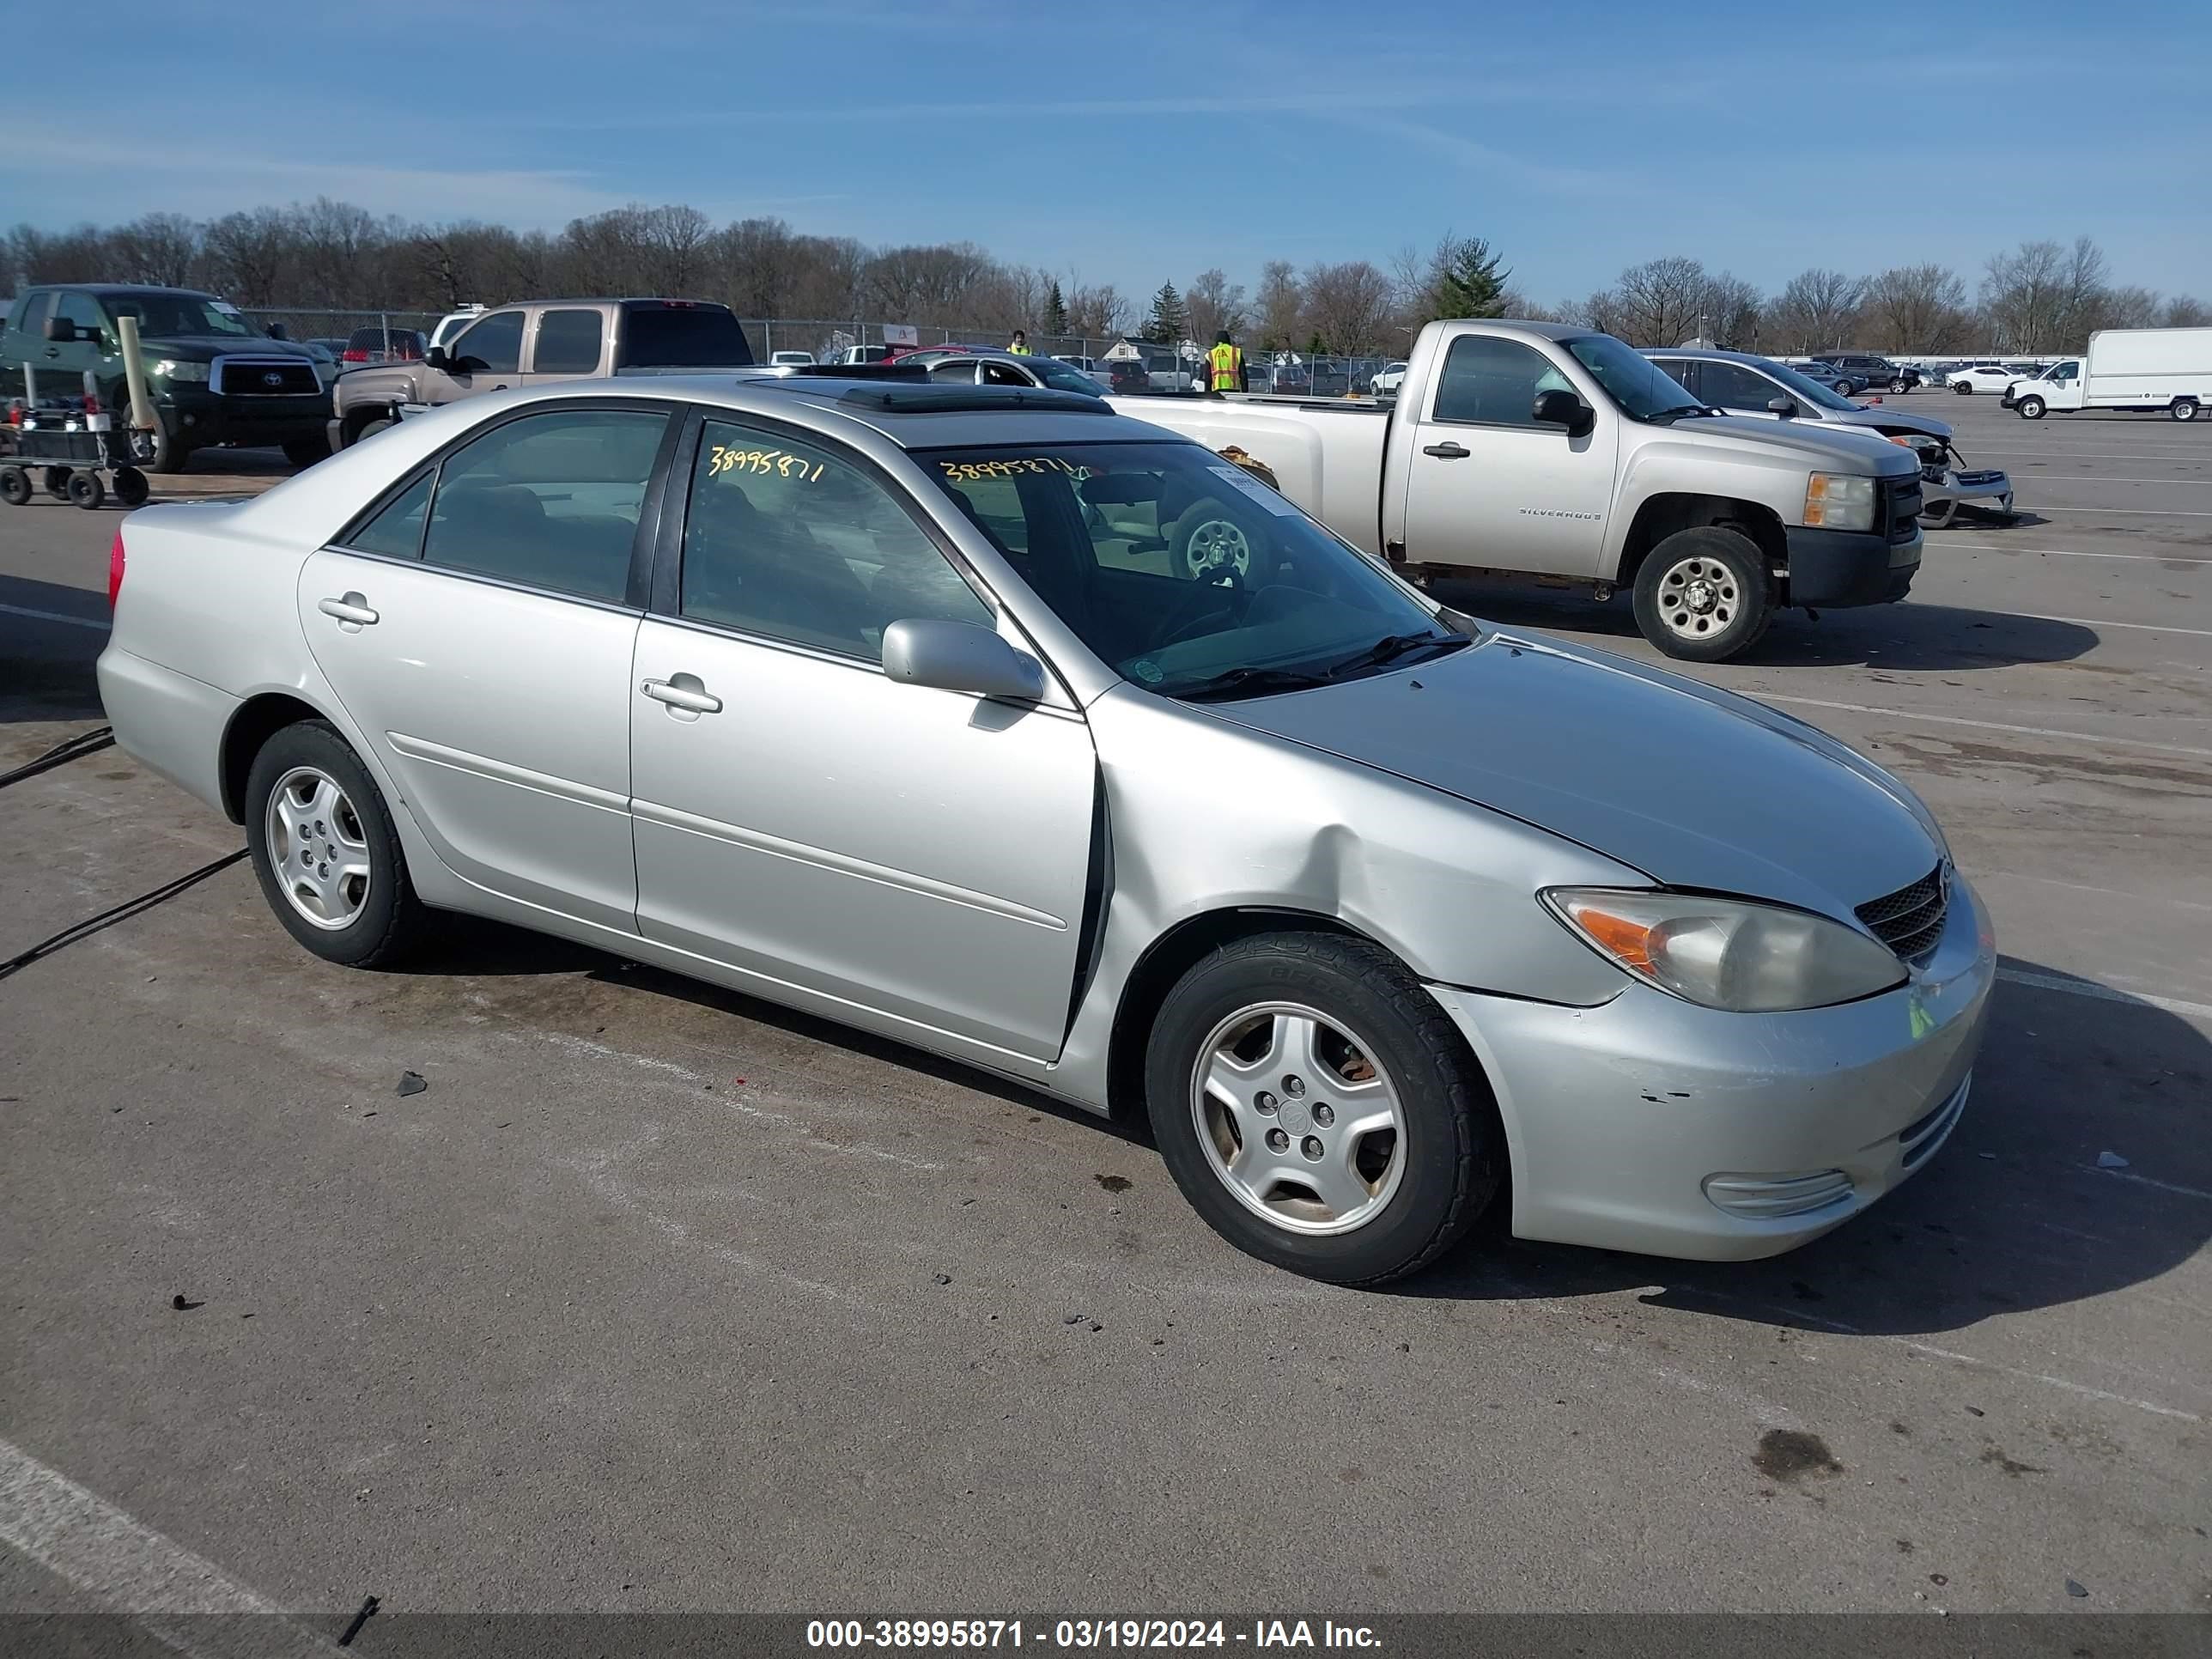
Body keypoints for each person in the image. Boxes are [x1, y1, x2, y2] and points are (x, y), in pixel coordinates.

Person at [1207, 329, 1244, 394]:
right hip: (1233, 389)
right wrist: (1245, 392)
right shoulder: (1236, 352)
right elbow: (1243, 375)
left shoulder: (1211, 354)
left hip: (1217, 390)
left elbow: (1208, 378)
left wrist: (1207, 395)